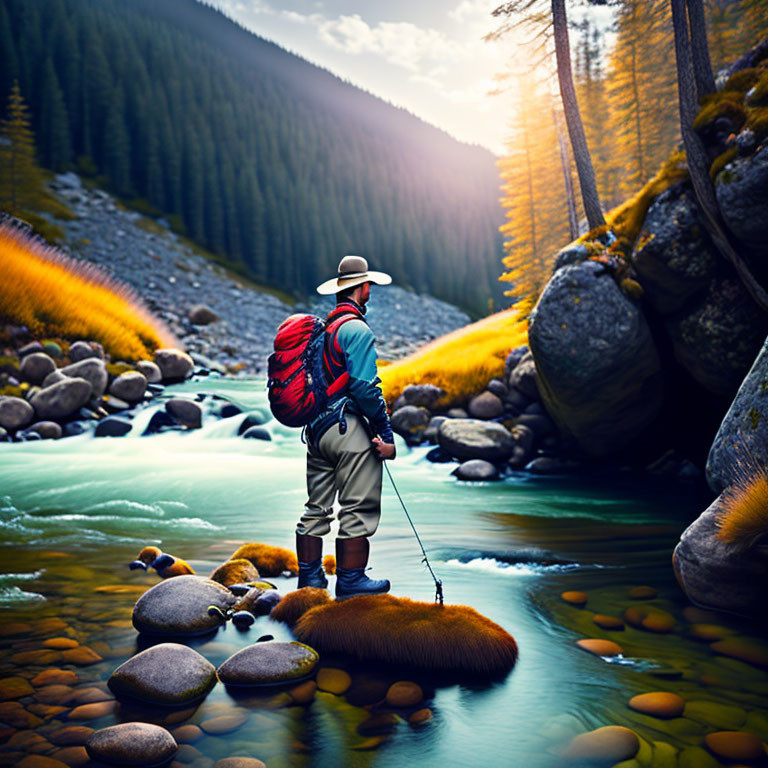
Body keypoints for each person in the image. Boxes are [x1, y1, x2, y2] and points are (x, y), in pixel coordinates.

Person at [295, 255, 396, 598]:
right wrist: (385, 433)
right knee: (357, 506)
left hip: (317, 433)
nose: (370, 289)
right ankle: (351, 581)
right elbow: (366, 389)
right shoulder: (357, 329)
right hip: (347, 431)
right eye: (368, 284)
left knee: (316, 508)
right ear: (362, 288)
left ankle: (309, 581)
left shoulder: (322, 332)